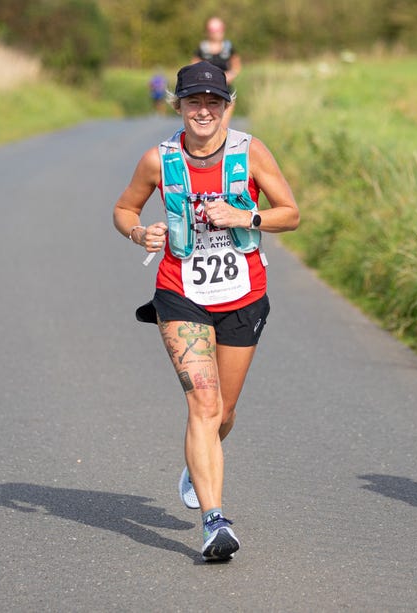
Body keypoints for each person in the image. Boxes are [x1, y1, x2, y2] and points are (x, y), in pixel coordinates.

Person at [112, 61, 300, 562]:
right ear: (179, 106)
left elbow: (291, 213)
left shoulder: (250, 151)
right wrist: (139, 232)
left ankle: (199, 461)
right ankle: (215, 523)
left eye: (212, 102)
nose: (203, 111)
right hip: (180, 292)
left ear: (226, 106)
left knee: (225, 413)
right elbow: (124, 209)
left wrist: (246, 215)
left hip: (243, 294)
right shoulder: (159, 159)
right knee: (203, 406)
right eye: (193, 101)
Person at [192, 17, 241, 129]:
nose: (216, 33)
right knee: (209, 125)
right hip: (206, 91)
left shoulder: (228, 47)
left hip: (226, 90)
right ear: (208, 31)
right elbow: (194, 67)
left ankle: (222, 146)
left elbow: (236, 65)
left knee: (222, 125)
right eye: (213, 30)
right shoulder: (202, 48)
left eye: (219, 29)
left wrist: (230, 75)